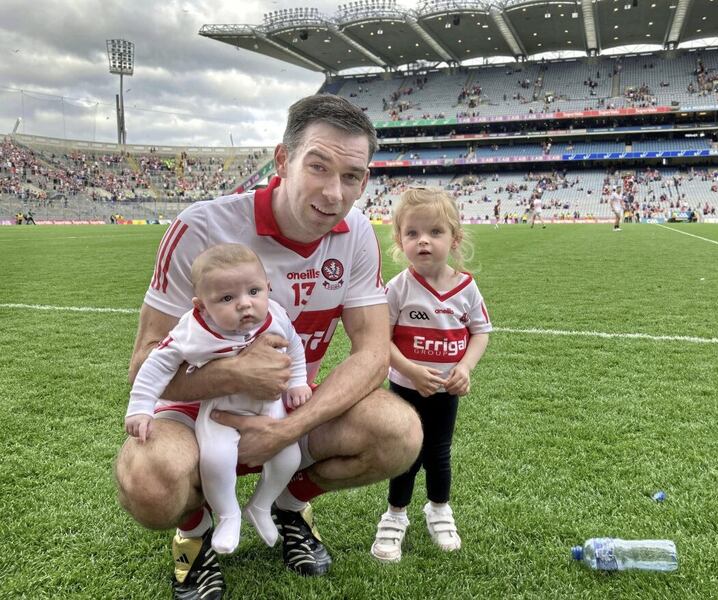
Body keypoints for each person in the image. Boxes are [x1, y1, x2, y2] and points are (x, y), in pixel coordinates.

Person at [114, 94, 423, 600]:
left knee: (400, 432)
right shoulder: (202, 228)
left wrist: (287, 429)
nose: (333, 192)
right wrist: (235, 374)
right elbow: (144, 361)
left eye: (352, 176)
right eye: (318, 167)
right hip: (194, 414)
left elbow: (372, 353)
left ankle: (287, 504)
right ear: (282, 161)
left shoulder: (358, 233)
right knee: (147, 480)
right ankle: (194, 534)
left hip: (287, 404)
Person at [125, 243, 311, 556]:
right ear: (201, 306)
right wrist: (141, 407)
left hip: (269, 405)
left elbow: (294, 345)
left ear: (268, 288)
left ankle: (261, 506)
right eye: (226, 298)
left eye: (253, 291)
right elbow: (156, 364)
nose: (244, 305)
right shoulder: (193, 329)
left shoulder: (276, 314)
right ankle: (228, 515)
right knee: (216, 459)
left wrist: (297, 381)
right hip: (220, 410)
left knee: (288, 457)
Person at [370, 188, 491, 563]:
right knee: (405, 454)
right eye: (413, 233)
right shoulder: (397, 288)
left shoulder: (466, 287)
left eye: (435, 232)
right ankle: (395, 514)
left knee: (439, 453)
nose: (423, 240)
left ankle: (438, 509)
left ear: (454, 239)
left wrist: (465, 368)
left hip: (445, 391)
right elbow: (381, 339)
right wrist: (408, 369)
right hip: (406, 388)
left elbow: (480, 332)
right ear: (399, 240)